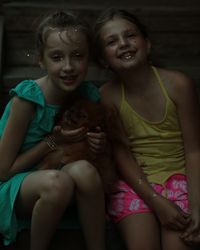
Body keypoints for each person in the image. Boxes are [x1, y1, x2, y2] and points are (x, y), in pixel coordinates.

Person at [93, 8, 200, 250]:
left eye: (130, 35)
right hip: (135, 185)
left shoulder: (178, 85)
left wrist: (197, 207)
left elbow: (195, 151)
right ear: (103, 60)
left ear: (147, 43)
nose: (123, 44)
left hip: (182, 180)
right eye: (112, 41)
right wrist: (154, 199)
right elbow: (122, 153)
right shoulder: (107, 96)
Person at [0, 11, 107, 250]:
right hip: (17, 186)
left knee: (86, 171)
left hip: (61, 178)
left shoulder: (89, 95)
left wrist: (97, 144)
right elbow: (3, 171)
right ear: (41, 60)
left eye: (77, 56)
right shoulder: (27, 100)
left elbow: (86, 155)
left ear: (88, 58)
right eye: (57, 57)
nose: (68, 67)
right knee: (57, 183)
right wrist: (52, 141)